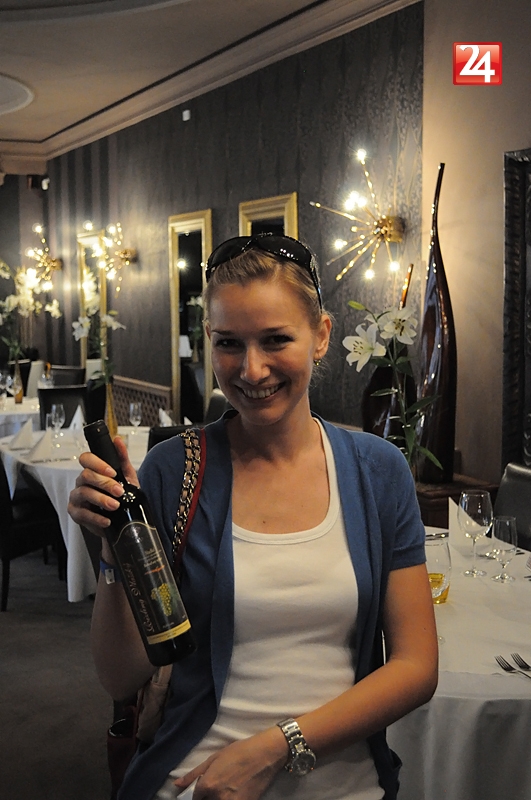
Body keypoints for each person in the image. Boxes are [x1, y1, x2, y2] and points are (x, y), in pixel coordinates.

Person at [68, 233, 438, 800]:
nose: (252, 369)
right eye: (229, 344)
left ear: (321, 335)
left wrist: (274, 747)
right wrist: (114, 547)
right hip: (197, 779)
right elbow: (120, 677)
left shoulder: (378, 472)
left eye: (275, 340)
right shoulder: (172, 471)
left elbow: (416, 666)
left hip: (345, 783)